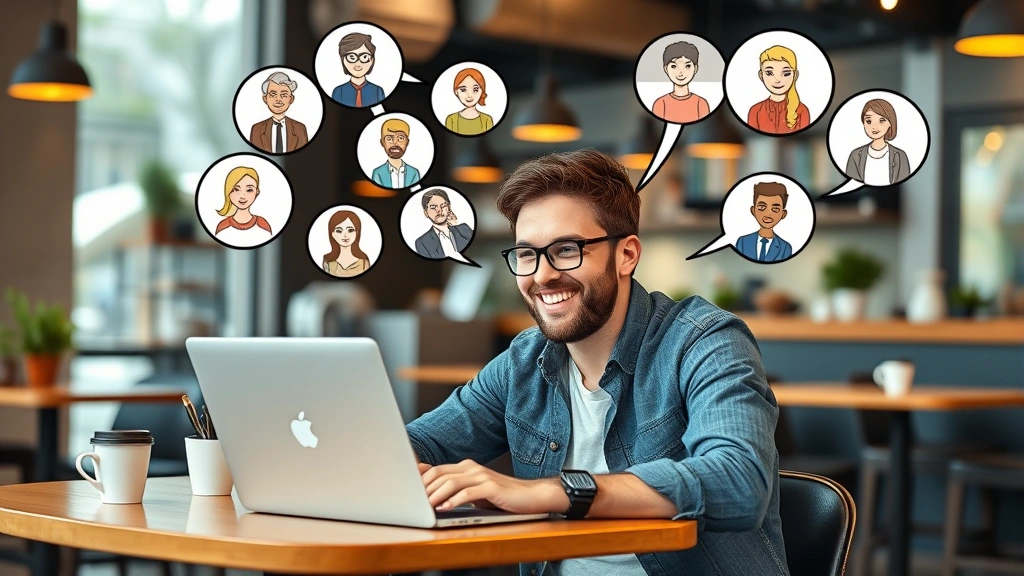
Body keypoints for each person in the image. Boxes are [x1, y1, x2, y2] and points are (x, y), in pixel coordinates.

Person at [405, 149, 788, 576]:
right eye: (527, 254)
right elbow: (417, 444)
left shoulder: (705, 340)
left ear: (626, 255)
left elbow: (738, 480)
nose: (542, 275)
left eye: (566, 250)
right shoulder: (524, 361)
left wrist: (555, 492)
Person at [844, 98, 911, 186]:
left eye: (881, 120)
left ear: (890, 123)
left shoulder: (900, 155)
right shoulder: (856, 155)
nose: (874, 126)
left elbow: (904, 186)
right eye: (869, 121)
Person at [746, 45, 809, 134]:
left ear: (795, 75)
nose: (777, 79)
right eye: (769, 73)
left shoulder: (801, 110)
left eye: (786, 73)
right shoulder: (755, 111)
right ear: (761, 75)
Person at [248, 71, 309, 154]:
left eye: (284, 95)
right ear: (265, 99)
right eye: (273, 94)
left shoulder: (300, 129)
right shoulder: (257, 129)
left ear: (291, 99)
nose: (278, 99)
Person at [651, 41, 710, 124]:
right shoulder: (661, 103)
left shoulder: (700, 103)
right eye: (674, 66)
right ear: (665, 69)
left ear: (695, 68)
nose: (681, 72)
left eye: (687, 66)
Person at [735, 181, 793, 262]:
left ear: (783, 214)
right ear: (753, 210)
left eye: (775, 209)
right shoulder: (742, 242)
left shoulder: (785, 247)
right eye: (762, 207)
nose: (768, 213)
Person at [215, 167, 272, 245]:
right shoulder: (223, 226)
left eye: (249, 190)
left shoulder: (262, 225)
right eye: (236, 189)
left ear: (257, 192)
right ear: (228, 192)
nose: (242, 196)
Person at [414, 189, 473, 259]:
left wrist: (456, 224)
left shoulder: (464, 229)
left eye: (443, 206)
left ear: (449, 207)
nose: (439, 210)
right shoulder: (422, 242)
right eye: (433, 207)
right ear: (426, 213)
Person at [331, 33, 385, 108]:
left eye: (364, 57)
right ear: (343, 60)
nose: (358, 64)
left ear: (372, 60)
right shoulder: (338, 91)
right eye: (352, 57)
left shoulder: (377, 91)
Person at [371, 118, 421, 189]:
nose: (395, 143)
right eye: (389, 139)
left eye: (400, 138)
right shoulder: (378, 173)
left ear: (407, 142)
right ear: (382, 142)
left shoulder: (413, 173)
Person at [445, 68, 495, 135]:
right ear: (456, 92)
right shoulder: (451, 119)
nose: (469, 95)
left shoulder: (487, 119)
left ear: (482, 91)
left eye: (475, 89)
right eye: (463, 90)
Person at [322, 210, 371, 278]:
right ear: (332, 234)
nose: (345, 235)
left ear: (357, 232)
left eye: (350, 230)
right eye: (339, 231)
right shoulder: (328, 263)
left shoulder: (364, 263)